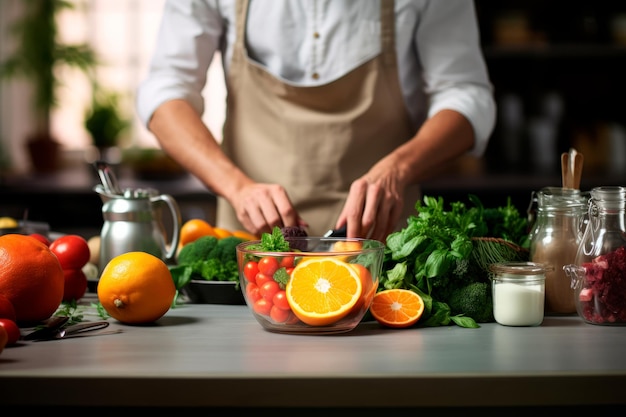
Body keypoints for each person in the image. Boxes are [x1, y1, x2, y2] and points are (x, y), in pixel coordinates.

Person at [136, 0, 496, 241]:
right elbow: (167, 90)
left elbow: (466, 93)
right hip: (250, 245)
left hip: (387, 247)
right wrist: (236, 186)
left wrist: (398, 170)